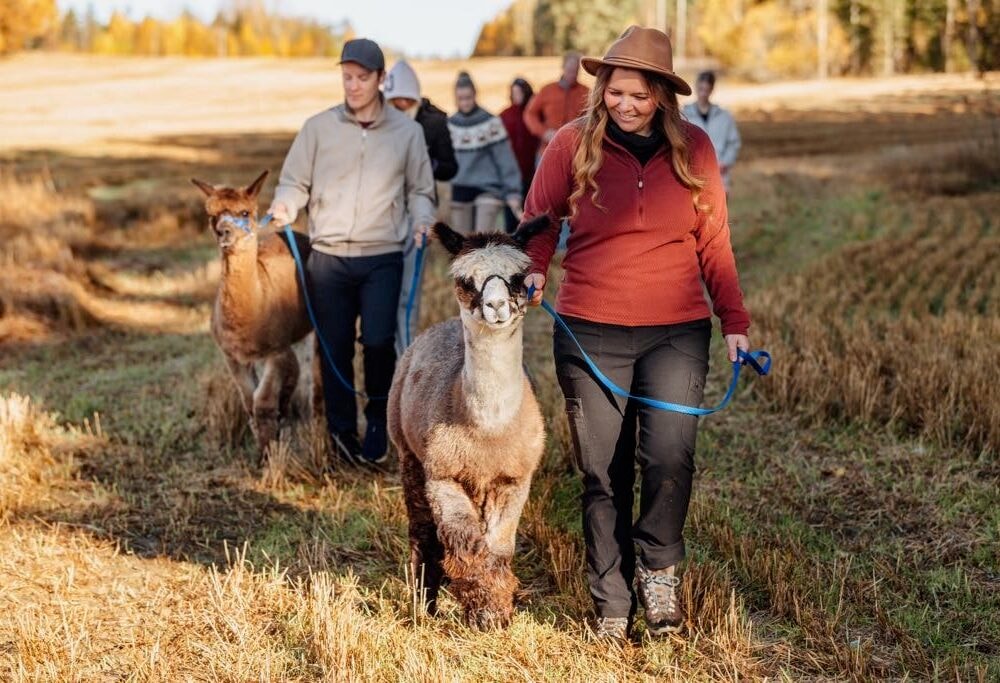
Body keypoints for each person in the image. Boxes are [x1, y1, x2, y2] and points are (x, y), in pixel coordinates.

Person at [522, 26, 751, 641]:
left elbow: (715, 241)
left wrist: (734, 322)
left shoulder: (695, 148)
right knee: (603, 471)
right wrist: (534, 271)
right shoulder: (570, 143)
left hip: (675, 331)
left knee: (670, 458)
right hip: (588, 329)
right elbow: (539, 223)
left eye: (639, 96)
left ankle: (659, 572)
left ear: (662, 98)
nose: (625, 104)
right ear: (602, 89)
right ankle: (611, 599)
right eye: (616, 91)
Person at [268, 38, 436, 466]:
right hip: (327, 258)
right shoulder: (317, 128)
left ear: (381, 79)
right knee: (334, 346)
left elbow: (420, 190)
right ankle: (340, 433)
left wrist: (421, 218)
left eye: (363, 78)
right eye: (347, 77)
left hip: (382, 256)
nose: (354, 85)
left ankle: (379, 418)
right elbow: (294, 182)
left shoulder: (407, 132)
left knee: (379, 343)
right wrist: (286, 203)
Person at [383, 59, 458, 356]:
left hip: (418, 215)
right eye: (392, 103)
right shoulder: (382, 120)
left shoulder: (435, 122)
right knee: (384, 290)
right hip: (385, 213)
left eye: (402, 103)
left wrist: (426, 163)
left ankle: (405, 354)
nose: (397, 107)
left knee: (407, 295)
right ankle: (385, 349)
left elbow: (451, 167)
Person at [448, 71, 523, 234]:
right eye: (461, 99)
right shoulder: (450, 125)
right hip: (461, 186)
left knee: (482, 244)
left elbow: (505, 159)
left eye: (468, 97)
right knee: (462, 248)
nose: (465, 102)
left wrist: (513, 192)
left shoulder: (491, 122)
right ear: (455, 98)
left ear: (475, 94)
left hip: (488, 188)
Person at [682, 71, 741, 193]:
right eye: (701, 88)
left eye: (707, 89)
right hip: (692, 176)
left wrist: (725, 162)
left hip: (720, 176)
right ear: (696, 86)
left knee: (719, 211)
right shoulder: (683, 115)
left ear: (712, 89)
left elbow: (733, 143)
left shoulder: (724, 116)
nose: (703, 93)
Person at [522, 52, 590, 157]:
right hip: (547, 150)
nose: (572, 74)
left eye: (575, 71)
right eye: (570, 70)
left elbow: (593, 118)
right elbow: (529, 114)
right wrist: (544, 132)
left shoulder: (585, 92)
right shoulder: (547, 90)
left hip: (576, 152)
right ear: (563, 67)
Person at [499, 77, 540, 232]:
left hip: (530, 170)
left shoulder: (534, 114)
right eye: (514, 92)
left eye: (520, 92)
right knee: (511, 214)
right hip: (510, 172)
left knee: (529, 212)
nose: (517, 95)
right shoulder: (505, 115)